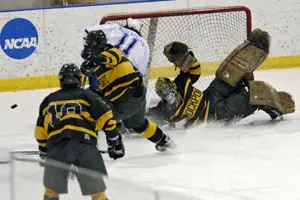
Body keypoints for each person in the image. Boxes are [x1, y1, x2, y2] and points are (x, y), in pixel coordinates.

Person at [147, 28, 295, 128]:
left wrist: (180, 55)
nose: (167, 92)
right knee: (255, 93)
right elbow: (147, 119)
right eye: (165, 92)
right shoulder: (165, 111)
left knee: (229, 74)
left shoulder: (180, 84)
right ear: (163, 96)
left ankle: (254, 51)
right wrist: (126, 122)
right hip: (216, 115)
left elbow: (194, 70)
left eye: (168, 88)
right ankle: (275, 104)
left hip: (210, 95)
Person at [34, 63, 125, 200]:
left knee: (51, 191)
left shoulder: (49, 100)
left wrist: (44, 150)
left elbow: (40, 132)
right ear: (79, 79)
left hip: (58, 148)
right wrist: (113, 140)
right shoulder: (88, 96)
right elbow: (106, 117)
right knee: (98, 193)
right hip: (85, 147)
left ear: (61, 80)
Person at [80, 29, 176, 152]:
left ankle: (87, 149)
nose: (88, 50)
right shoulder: (101, 69)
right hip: (137, 99)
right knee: (138, 124)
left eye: (89, 47)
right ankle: (164, 141)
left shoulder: (111, 51)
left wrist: (92, 62)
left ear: (94, 46)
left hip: (126, 100)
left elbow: (107, 58)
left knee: (93, 114)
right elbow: (104, 90)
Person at [82, 18, 153, 105]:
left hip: (109, 62)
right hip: (126, 79)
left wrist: (87, 51)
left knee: (96, 75)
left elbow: (88, 31)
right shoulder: (145, 46)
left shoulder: (117, 28)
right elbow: (139, 73)